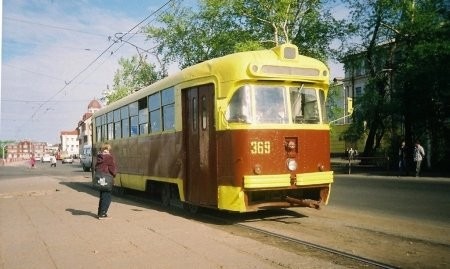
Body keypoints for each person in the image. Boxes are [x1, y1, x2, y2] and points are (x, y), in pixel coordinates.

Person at [95, 143, 117, 219]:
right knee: (107, 196)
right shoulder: (109, 157)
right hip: (107, 179)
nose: (109, 151)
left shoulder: (99, 157)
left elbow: (96, 168)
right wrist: (114, 175)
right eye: (109, 150)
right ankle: (103, 214)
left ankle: (100, 212)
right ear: (107, 149)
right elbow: (112, 169)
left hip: (100, 178)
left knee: (102, 196)